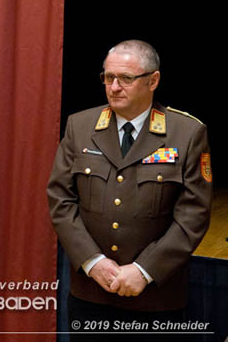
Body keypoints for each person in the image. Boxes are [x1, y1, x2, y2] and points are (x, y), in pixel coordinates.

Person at [47, 40, 212, 340]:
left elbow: (194, 214)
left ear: (153, 80)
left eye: (125, 78)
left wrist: (144, 270)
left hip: (157, 298)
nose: (114, 87)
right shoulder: (80, 126)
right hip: (91, 294)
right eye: (108, 77)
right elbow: (61, 200)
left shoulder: (186, 133)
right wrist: (93, 262)